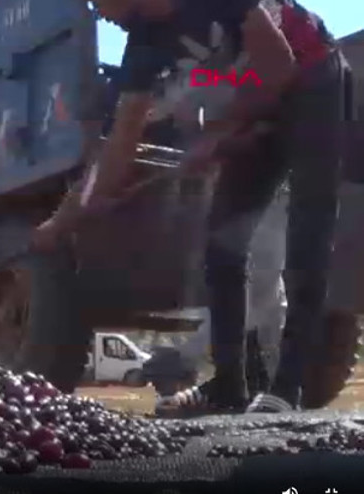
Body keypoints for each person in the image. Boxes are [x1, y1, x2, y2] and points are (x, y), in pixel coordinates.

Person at [33, 0, 348, 414]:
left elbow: (278, 67)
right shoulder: (143, 43)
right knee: (221, 248)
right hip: (256, 107)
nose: (98, 13)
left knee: (308, 236)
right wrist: (62, 220)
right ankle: (229, 387)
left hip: (312, 79)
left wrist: (216, 134)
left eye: (98, 2)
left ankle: (287, 388)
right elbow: (119, 146)